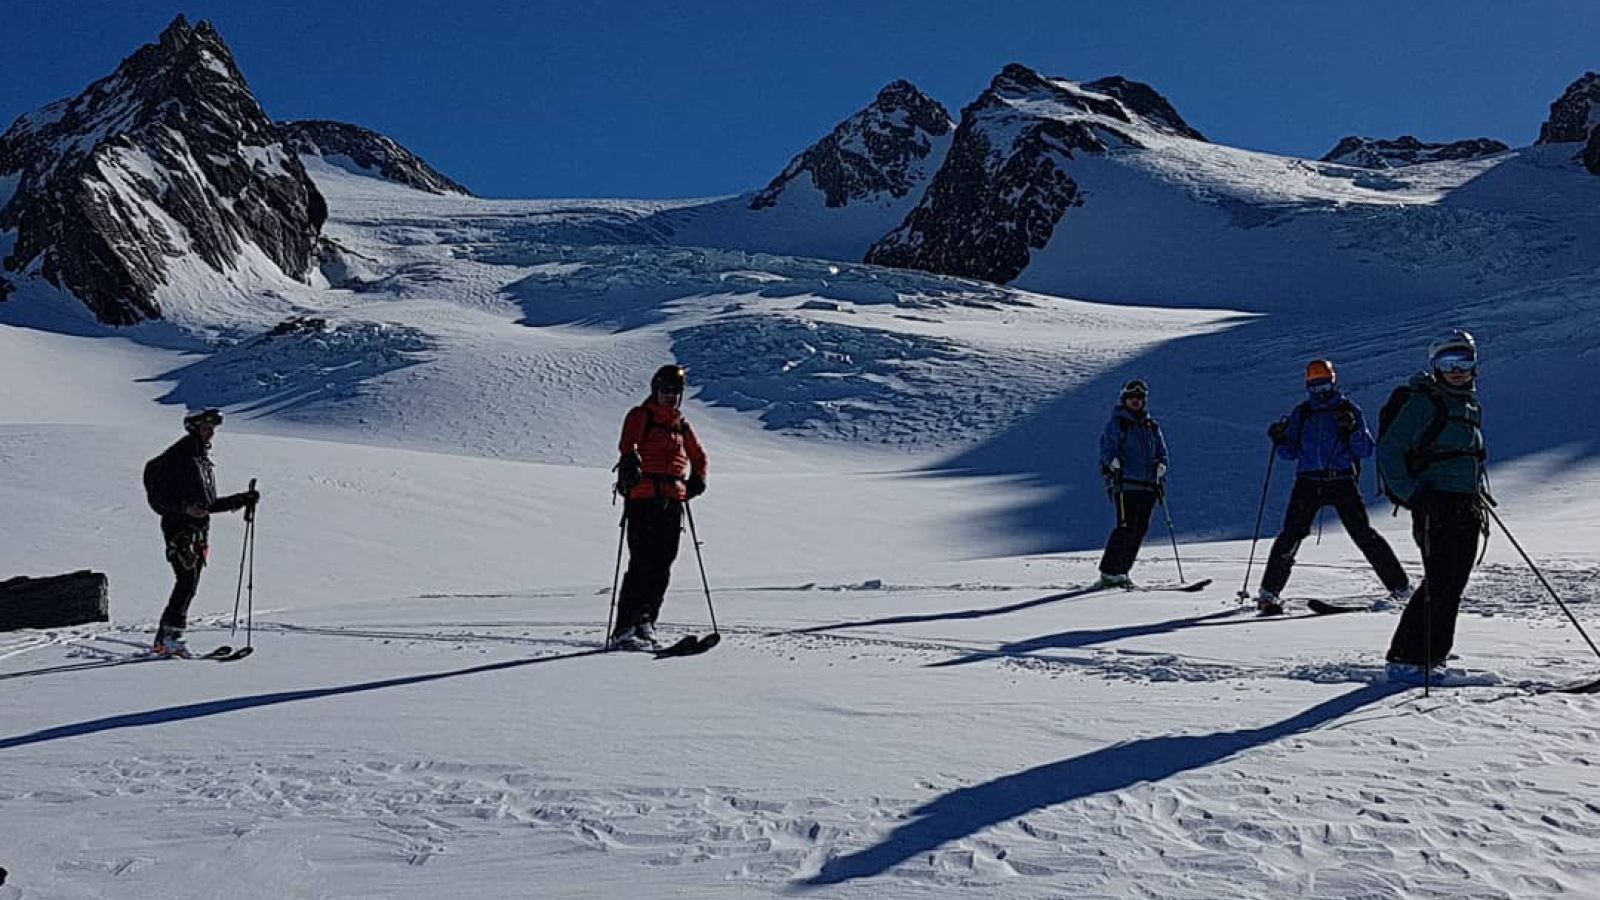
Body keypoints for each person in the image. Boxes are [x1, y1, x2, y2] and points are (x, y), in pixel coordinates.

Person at [1253, 359, 1411, 615]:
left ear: (1333, 381)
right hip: (1309, 481)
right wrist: (1279, 439)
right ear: (1308, 386)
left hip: (1340, 480)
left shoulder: (1348, 410)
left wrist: (1352, 432)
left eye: (1324, 384)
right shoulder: (1302, 413)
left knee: (1362, 535)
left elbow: (1366, 449)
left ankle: (1401, 588)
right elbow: (1289, 453)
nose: (1320, 391)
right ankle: (1268, 594)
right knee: (1290, 536)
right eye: (1315, 386)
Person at [1376, 330, 1487, 684]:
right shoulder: (1424, 402)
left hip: (1466, 503)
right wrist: (1413, 495)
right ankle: (1408, 656)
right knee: (1441, 581)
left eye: (1463, 362)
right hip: (1435, 504)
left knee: (1453, 581)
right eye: (1448, 363)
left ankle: (1432, 654)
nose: (1457, 370)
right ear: (1435, 367)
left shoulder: (1468, 403)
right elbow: (1389, 450)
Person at [144, 408, 259, 657]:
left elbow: (207, 506)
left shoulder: (200, 460)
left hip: (196, 532)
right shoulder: (180, 457)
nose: (211, 433)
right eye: (206, 427)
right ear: (194, 427)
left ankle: (164, 640)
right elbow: (158, 498)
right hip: (180, 530)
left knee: (188, 582)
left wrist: (242, 499)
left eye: (212, 428)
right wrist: (184, 507)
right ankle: (170, 637)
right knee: (186, 582)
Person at [610, 365, 709, 651]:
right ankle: (624, 628)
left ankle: (646, 622)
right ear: (655, 389)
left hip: (673, 499)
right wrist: (630, 461)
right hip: (643, 497)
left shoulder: (682, 425)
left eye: (676, 392)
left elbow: (699, 455)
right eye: (666, 390)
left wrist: (698, 480)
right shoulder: (642, 415)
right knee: (641, 562)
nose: (671, 396)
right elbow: (627, 443)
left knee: (663, 564)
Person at [1096, 379, 1168, 588]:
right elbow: (1107, 449)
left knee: (1140, 529)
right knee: (1126, 528)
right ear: (1124, 400)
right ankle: (1110, 571)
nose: (1136, 401)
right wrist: (1113, 462)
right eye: (1132, 398)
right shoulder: (1118, 424)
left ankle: (1122, 571)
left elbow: (1162, 452)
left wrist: (1162, 466)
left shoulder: (1151, 426)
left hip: (1148, 486)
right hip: (1126, 484)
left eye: (1139, 398)